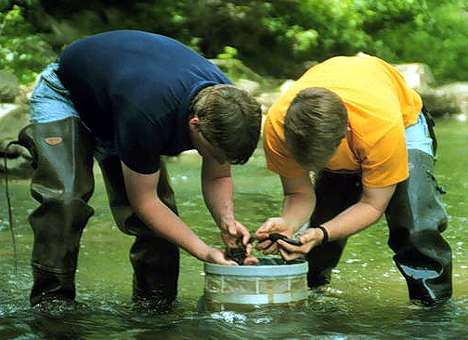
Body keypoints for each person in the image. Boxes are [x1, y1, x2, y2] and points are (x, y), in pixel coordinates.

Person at [17, 30, 261, 308]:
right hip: (67, 94)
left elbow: (219, 174)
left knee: (163, 222)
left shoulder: (228, 106)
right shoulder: (149, 115)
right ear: (194, 124)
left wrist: (226, 221)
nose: (218, 159)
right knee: (65, 199)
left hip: (121, 100)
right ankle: (52, 304)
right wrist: (204, 251)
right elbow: (145, 202)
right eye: (215, 153)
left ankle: (155, 308)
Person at [256, 54, 451, 306]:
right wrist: (289, 223)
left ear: (344, 134)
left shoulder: (379, 128)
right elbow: (298, 194)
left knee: (413, 217)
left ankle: (432, 305)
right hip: (344, 118)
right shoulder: (278, 128)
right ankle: (311, 289)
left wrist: (322, 233)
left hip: (402, 123)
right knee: (324, 216)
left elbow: (372, 204)